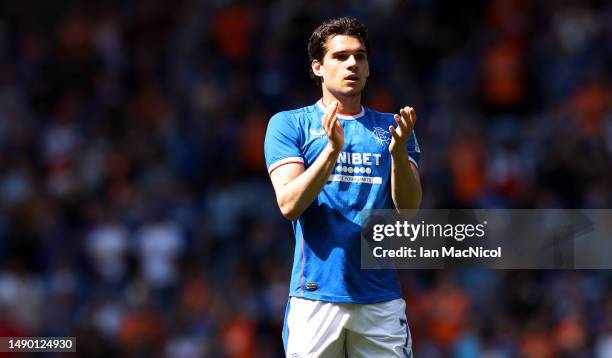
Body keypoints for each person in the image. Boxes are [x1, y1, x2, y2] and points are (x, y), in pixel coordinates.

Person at [264, 17, 421, 357]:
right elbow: (289, 203)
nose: (352, 63)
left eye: (360, 56)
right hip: (315, 296)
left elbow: (408, 209)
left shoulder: (393, 128)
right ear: (318, 66)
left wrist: (396, 155)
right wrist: (331, 152)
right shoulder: (290, 124)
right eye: (340, 56)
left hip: (380, 299)